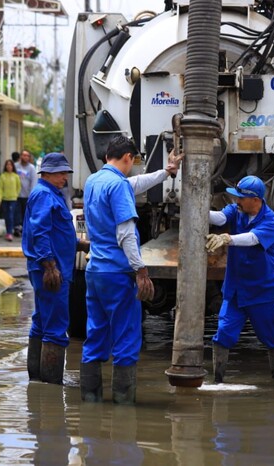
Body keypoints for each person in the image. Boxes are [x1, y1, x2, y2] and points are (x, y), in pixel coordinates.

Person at [80, 135, 182, 404]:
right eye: (133, 161)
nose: (133, 166)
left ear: (106, 157)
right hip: (118, 273)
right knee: (126, 339)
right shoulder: (118, 186)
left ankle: (90, 404)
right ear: (127, 158)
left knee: (96, 334)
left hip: (95, 272)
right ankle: (123, 410)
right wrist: (141, 270)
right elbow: (126, 233)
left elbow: (131, 184)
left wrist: (164, 173)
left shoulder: (94, 181)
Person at [205, 175, 274, 383]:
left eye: (241, 198)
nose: (237, 201)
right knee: (223, 333)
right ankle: (218, 381)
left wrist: (227, 238)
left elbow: (253, 239)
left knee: (271, 338)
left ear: (256, 200)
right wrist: (196, 209)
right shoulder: (236, 211)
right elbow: (220, 218)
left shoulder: (272, 220)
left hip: (263, 291)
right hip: (236, 290)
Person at [22, 152, 89, 385]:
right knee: (57, 326)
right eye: (61, 173)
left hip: (50, 267)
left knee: (41, 321)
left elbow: (55, 232)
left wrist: (80, 244)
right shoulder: (44, 195)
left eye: (66, 173)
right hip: (51, 270)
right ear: (47, 173)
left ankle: (37, 381)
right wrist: (50, 266)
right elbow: (39, 232)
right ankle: (51, 386)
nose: (65, 177)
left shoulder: (51, 194)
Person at [0, 159, 21, 241]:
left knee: (10, 216)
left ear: (12, 166)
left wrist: (16, 195)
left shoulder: (16, 176)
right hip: (4, 199)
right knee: (6, 217)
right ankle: (8, 232)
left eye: (10, 165)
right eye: (7, 165)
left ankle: (10, 232)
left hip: (13, 199)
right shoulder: (2, 176)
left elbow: (18, 187)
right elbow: (0, 188)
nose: (9, 166)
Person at [15, 149, 37, 236]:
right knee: (16, 213)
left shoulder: (31, 168)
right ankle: (17, 228)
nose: (25, 157)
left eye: (27, 155)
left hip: (27, 195)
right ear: (20, 156)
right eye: (24, 155)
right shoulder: (15, 166)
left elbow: (34, 181)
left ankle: (25, 229)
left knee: (26, 213)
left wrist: (32, 195)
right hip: (16, 195)